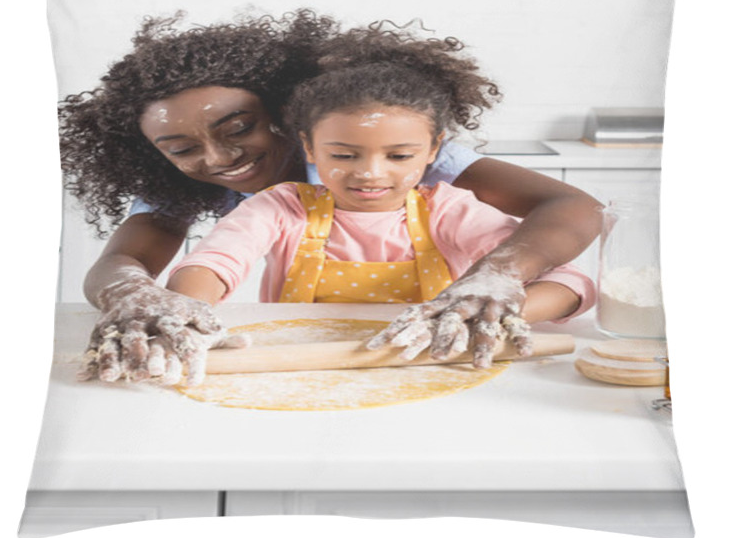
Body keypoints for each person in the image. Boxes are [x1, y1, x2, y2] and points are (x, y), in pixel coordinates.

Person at [59, 10, 602, 386]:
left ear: (287, 115)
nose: (219, 159)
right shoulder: (276, 206)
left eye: (240, 128)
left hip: (433, 360)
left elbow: (573, 210)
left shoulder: (397, 159)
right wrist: (147, 301)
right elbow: (140, 266)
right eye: (181, 148)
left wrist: (496, 282)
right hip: (308, 360)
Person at [167, 62, 596, 382]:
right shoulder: (282, 207)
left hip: (432, 365)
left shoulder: (448, 209)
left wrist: (484, 313)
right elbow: (213, 262)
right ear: (310, 149)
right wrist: (187, 314)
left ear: (433, 150)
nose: (370, 173)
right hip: (300, 369)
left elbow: (570, 284)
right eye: (343, 155)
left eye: (399, 156)